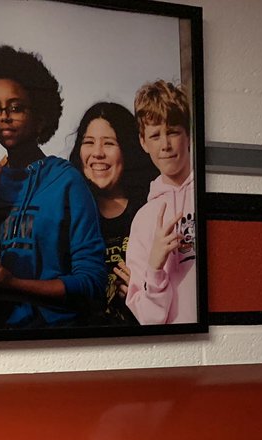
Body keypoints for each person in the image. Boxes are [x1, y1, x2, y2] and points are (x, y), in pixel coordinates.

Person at [0, 44, 106, 328]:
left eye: (16, 108)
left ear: (41, 115)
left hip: (59, 340)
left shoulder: (66, 181)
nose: (4, 117)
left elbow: (92, 282)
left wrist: (15, 284)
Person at [67, 101, 154, 326]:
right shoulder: (67, 210)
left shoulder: (150, 207)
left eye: (109, 143)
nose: (97, 153)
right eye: (89, 142)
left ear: (128, 149)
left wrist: (145, 288)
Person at [126, 80, 198, 325]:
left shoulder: (212, 193)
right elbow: (148, 320)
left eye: (173, 131)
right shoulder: (143, 219)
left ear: (188, 133)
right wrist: (155, 266)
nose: (165, 145)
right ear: (143, 142)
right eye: (155, 135)